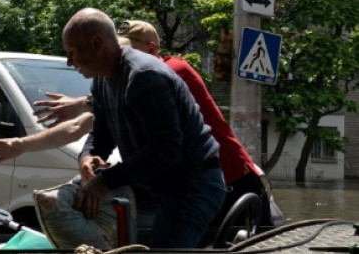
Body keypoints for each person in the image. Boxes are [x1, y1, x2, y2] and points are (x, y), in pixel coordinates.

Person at [65, 8, 225, 248]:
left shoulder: (143, 77)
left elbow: (166, 150)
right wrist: (87, 157)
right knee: (76, 194)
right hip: (157, 183)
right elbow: (101, 135)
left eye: (72, 53)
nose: (69, 62)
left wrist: (105, 181)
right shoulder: (101, 80)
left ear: (97, 44)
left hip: (193, 184)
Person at [115, 20, 278, 226]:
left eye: (128, 51)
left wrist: (87, 103)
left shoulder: (172, 69)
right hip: (201, 185)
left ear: (152, 48)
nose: (121, 58)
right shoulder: (134, 79)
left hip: (234, 180)